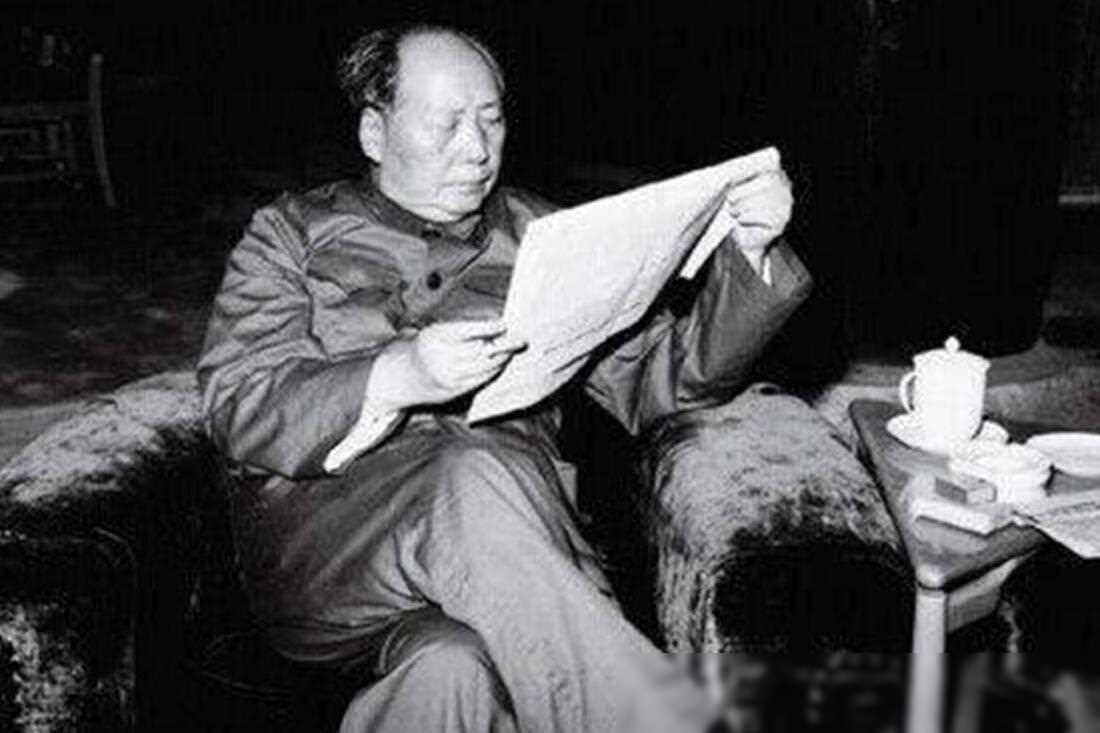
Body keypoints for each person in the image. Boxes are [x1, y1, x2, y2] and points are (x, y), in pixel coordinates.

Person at [198, 23, 811, 732]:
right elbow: (239, 402)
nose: (477, 149)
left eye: (491, 120)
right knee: (468, 472)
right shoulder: (289, 233)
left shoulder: (545, 234)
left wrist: (750, 251)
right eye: (448, 124)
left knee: (448, 674)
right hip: (331, 549)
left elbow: (662, 378)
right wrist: (397, 375)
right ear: (375, 132)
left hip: (515, 565)